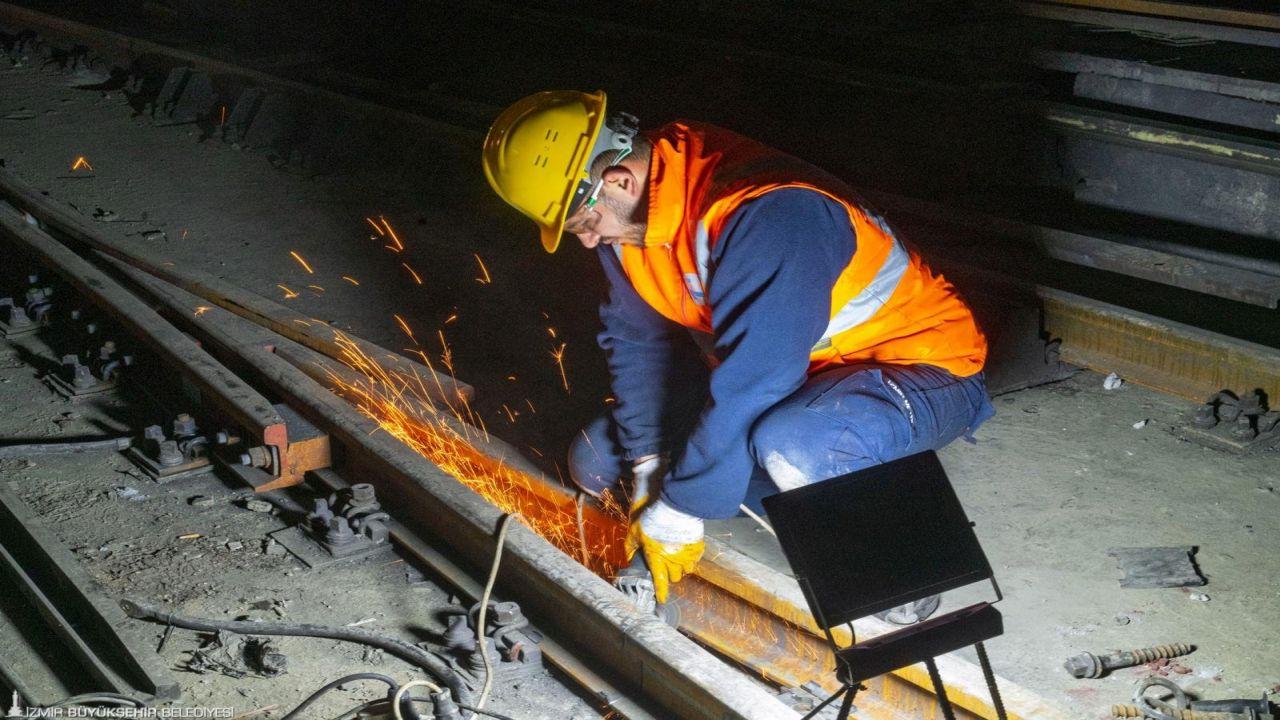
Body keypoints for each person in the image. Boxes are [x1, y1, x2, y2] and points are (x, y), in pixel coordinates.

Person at [482, 91, 993, 607]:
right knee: (597, 461)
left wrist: (681, 505)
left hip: (916, 371)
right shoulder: (633, 222)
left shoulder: (772, 215)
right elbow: (637, 343)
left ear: (617, 182)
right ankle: (774, 485)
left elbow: (758, 379)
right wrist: (647, 466)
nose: (588, 243)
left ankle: (904, 566)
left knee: (794, 446)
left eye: (585, 226)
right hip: (793, 378)